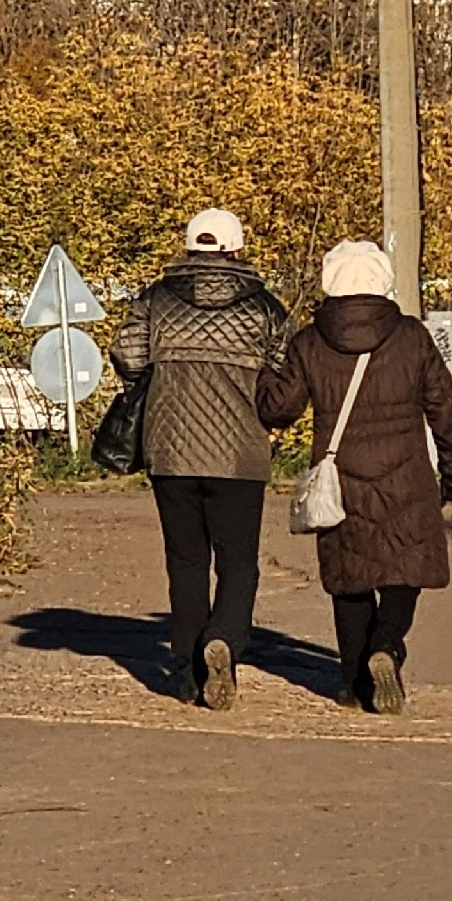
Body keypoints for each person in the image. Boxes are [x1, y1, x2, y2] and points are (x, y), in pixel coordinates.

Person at [259, 240, 452, 715]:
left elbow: (279, 408)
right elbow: (443, 405)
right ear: (383, 282)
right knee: (404, 571)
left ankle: (355, 686)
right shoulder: (413, 337)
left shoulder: (309, 342)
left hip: (341, 479)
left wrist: (263, 373)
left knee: (350, 579)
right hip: (406, 477)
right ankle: (388, 645)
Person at [110, 208, 292, 710]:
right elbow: (284, 377)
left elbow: (126, 355)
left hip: (170, 448)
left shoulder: (157, 299)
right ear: (236, 249)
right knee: (239, 563)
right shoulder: (265, 308)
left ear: (190, 247)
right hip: (239, 454)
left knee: (186, 562)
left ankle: (189, 674)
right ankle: (225, 642)